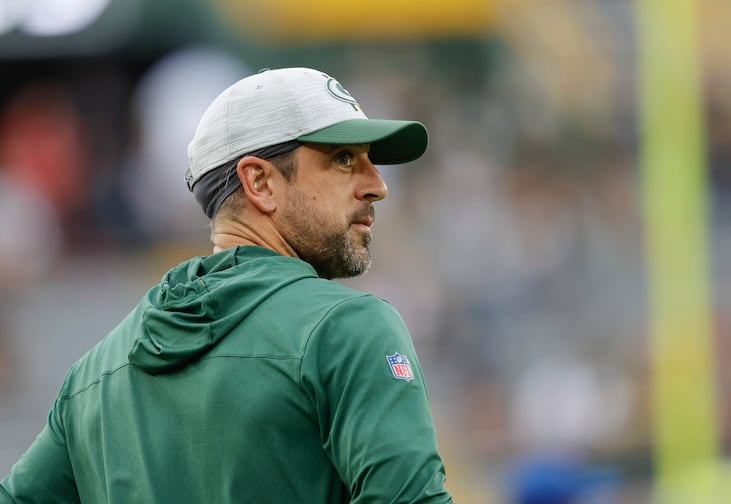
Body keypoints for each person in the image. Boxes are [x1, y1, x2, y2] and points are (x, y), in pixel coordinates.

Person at [1, 67, 454, 503]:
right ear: (259, 182)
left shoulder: (94, 374)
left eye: (370, 163)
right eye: (343, 160)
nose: (377, 186)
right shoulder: (346, 328)